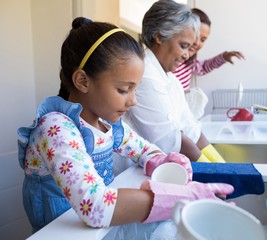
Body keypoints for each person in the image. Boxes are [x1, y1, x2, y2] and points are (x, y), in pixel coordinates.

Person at [17, 17, 234, 234]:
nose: (133, 101)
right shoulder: (56, 129)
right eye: (123, 90)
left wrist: (161, 160)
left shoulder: (106, 124)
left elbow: (144, 149)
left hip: (100, 231)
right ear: (83, 81)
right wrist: (177, 199)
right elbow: (94, 205)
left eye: (135, 90)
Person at [124, 0, 226, 163]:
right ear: (159, 36)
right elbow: (171, 141)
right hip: (132, 172)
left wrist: (223, 165)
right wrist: (216, 171)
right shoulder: (145, 75)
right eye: (183, 45)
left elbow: (191, 129)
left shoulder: (170, 79)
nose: (187, 55)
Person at [173, 8, 245, 119]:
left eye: (203, 39)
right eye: (195, 35)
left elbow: (202, 68)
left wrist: (223, 57)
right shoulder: (170, 63)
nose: (197, 42)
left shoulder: (189, 63)